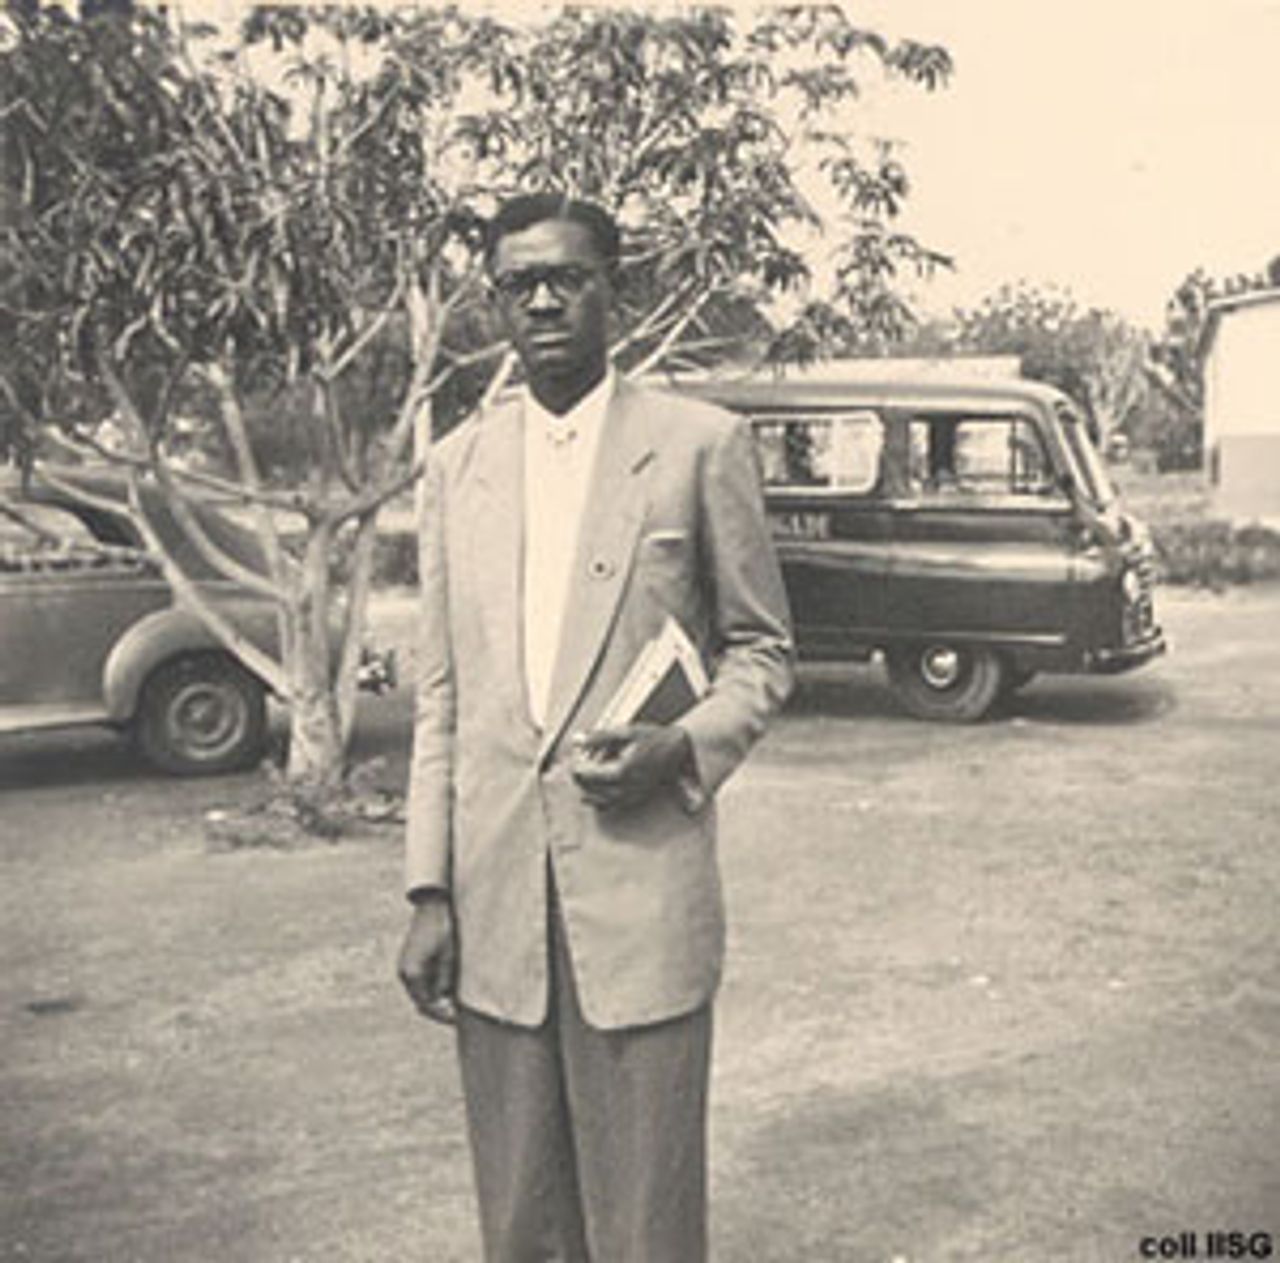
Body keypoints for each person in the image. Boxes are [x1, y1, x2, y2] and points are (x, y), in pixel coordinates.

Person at [397, 192, 793, 1263]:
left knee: (647, 1225)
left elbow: (762, 651)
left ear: (614, 290)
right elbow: (441, 698)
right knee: (521, 1222)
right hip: (494, 906)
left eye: (566, 278)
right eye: (518, 284)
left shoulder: (698, 447)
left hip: (639, 891)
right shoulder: (456, 467)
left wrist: (686, 747)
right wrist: (429, 890)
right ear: (494, 304)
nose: (542, 302)